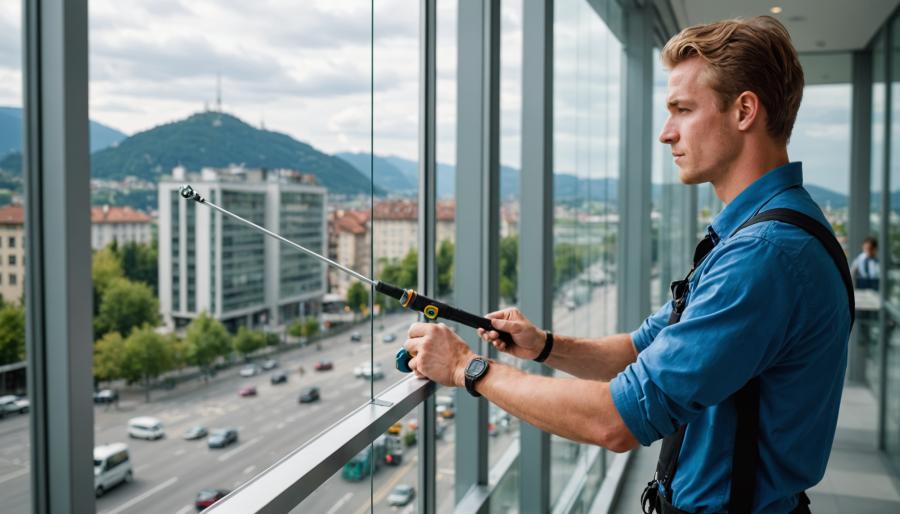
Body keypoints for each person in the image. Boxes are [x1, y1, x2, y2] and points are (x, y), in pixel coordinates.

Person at [403, 16, 851, 514]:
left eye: (682, 110)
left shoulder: (765, 255)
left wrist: (467, 368)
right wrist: (545, 346)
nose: (665, 133)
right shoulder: (761, 232)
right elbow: (642, 348)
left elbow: (616, 422)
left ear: (745, 110)